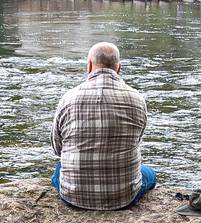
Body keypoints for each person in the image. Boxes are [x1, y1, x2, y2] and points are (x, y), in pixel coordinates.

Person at [50, 42, 156, 210]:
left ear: (89, 65)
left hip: (73, 196)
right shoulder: (137, 99)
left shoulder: (68, 98)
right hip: (123, 197)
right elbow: (136, 142)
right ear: (118, 68)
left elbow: (58, 148)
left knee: (59, 169)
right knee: (149, 173)